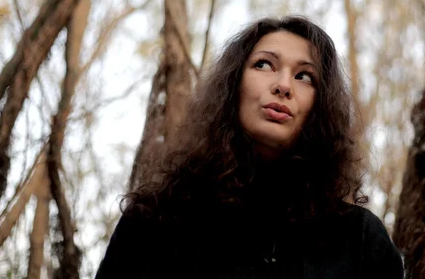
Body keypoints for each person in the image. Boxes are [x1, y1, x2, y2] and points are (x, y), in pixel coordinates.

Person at [96, 16, 404, 278]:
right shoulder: (154, 224)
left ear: (320, 107)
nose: (283, 85)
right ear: (233, 86)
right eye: (265, 64)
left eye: (304, 76)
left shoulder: (361, 240)